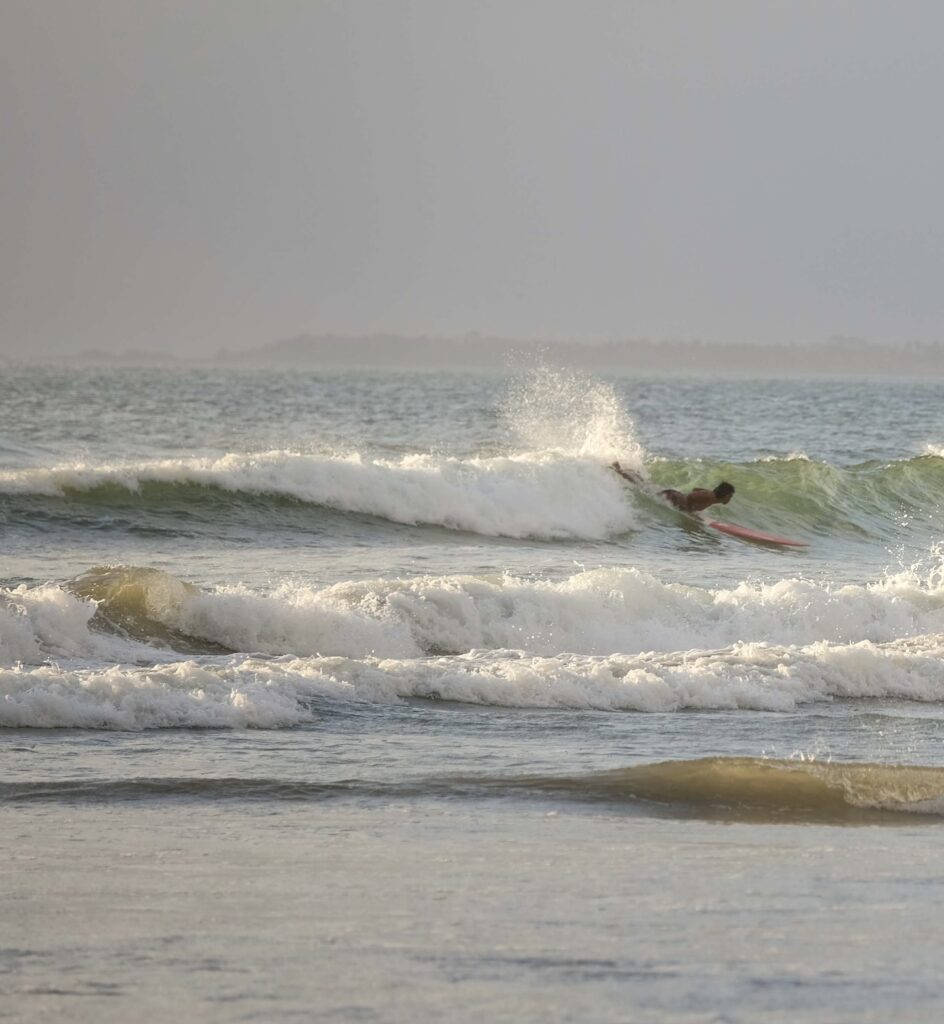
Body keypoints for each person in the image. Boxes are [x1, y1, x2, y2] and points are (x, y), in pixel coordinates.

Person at [611, 461, 735, 514]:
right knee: (642, 487)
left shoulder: (710, 496)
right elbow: (692, 495)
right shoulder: (709, 496)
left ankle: (630, 471)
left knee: (645, 486)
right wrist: (689, 508)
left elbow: (695, 489)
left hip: (674, 495)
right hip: (673, 497)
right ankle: (619, 470)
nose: (730, 498)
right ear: (726, 495)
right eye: (731, 495)